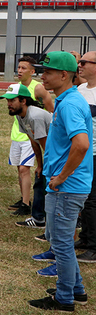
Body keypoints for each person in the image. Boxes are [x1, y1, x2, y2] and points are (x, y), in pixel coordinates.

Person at [28, 51, 92, 312]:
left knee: (62, 246)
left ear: (64, 75)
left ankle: (64, 299)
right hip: (64, 185)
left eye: (48, 71)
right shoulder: (67, 100)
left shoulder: (69, 104)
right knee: (61, 242)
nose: (42, 75)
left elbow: (82, 144)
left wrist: (61, 177)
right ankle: (76, 290)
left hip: (67, 187)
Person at [10, 56, 55, 219]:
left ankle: (32, 209)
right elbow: (32, 136)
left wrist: (46, 164)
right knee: (22, 170)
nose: (20, 71)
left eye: (23, 68)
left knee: (29, 172)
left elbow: (50, 113)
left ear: (32, 71)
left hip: (42, 135)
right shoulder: (16, 93)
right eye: (19, 67)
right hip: (23, 135)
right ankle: (26, 201)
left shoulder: (38, 90)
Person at [3, 84, 52, 230]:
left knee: (48, 186)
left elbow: (47, 147)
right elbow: (34, 141)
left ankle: (42, 220)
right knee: (40, 179)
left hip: (59, 153)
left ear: (23, 101)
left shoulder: (35, 116)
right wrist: (40, 166)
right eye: (7, 100)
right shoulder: (20, 116)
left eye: (12, 100)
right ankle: (39, 218)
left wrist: (48, 168)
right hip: (51, 152)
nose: (9, 104)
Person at [76, 50, 96, 263]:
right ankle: (84, 237)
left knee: (92, 200)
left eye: (84, 62)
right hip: (83, 151)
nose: (79, 65)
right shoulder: (81, 89)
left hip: (95, 153)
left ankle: (93, 246)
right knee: (84, 197)